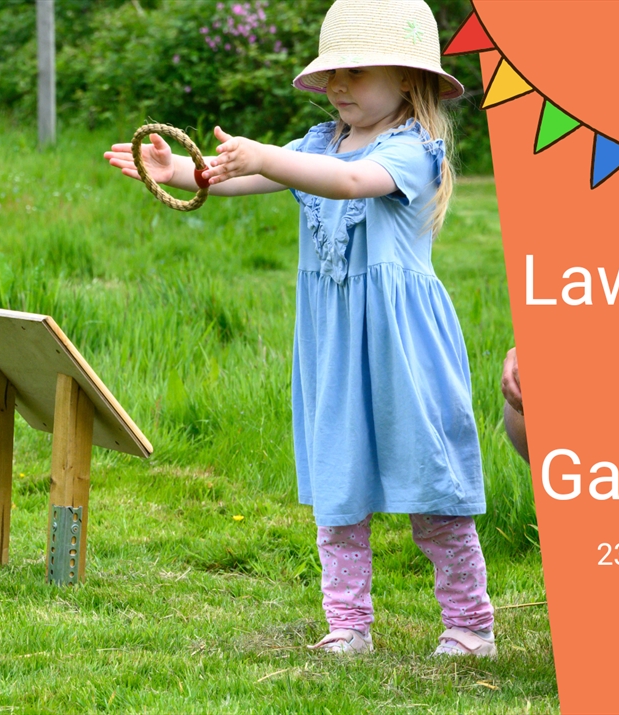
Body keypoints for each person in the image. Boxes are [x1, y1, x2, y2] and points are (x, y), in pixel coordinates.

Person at [104, 0, 495, 658]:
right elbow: (250, 176)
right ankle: (348, 625)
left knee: (433, 486)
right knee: (338, 482)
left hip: (403, 348)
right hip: (337, 347)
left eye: (357, 72)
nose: (338, 86)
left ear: (405, 78)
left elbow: (347, 183)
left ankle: (469, 626)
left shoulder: (411, 151)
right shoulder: (318, 143)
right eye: (332, 73)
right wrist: (180, 172)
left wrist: (262, 155)